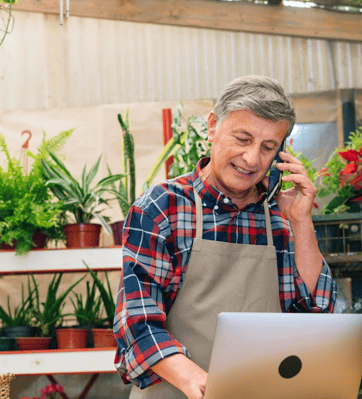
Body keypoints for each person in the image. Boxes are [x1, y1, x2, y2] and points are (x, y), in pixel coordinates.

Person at [113, 75, 337, 399]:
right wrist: (196, 381)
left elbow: (314, 311)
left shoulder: (280, 217)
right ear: (213, 126)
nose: (252, 159)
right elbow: (137, 322)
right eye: (242, 139)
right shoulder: (162, 209)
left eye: (268, 147)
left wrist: (301, 222)